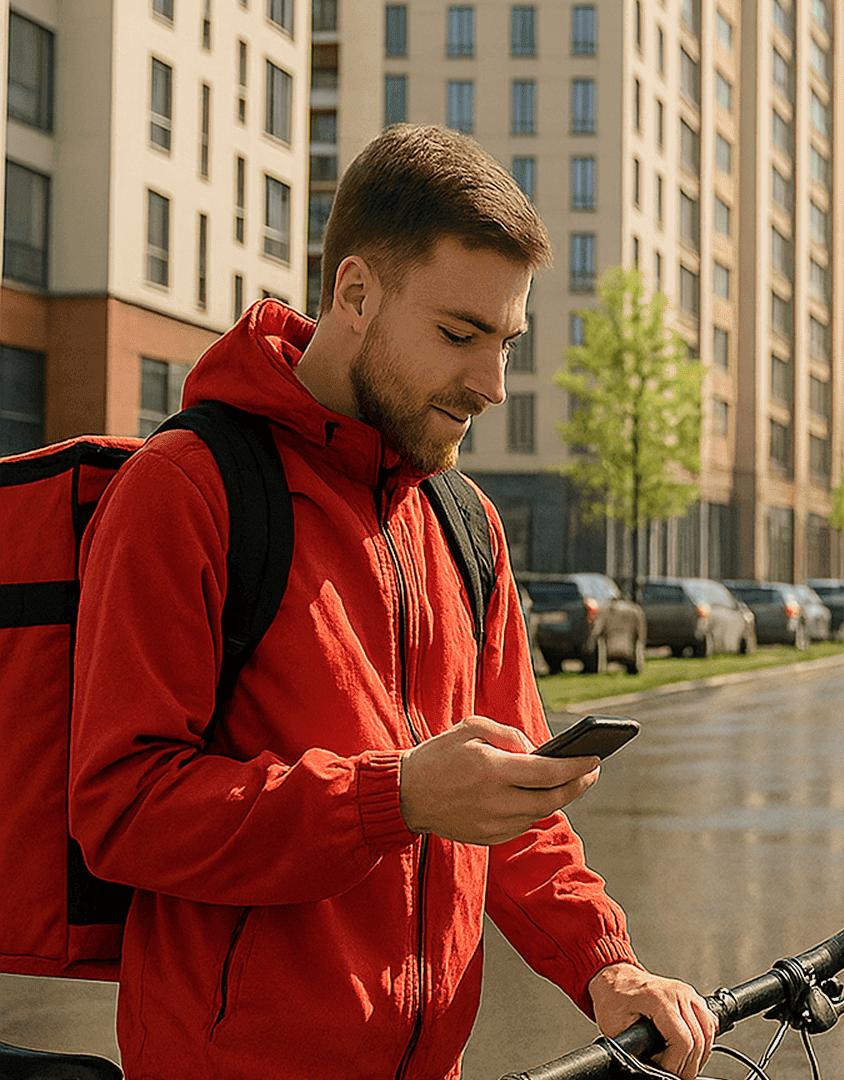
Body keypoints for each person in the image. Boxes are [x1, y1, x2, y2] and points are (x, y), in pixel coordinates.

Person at [67, 125, 716, 1080]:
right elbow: (122, 808)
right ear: (357, 293)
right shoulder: (189, 489)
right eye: (460, 335)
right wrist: (395, 797)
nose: (492, 384)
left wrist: (604, 967)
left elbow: (516, 805)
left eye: (506, 341)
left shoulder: (466, 523)